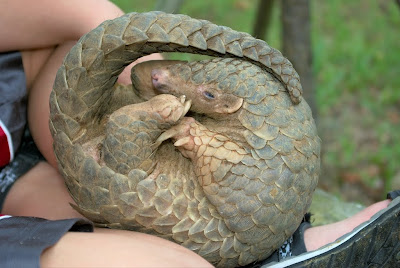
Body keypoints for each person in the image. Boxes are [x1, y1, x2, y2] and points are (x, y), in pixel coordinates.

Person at [0, 0, 398, 267]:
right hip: (16, 186)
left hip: (21, 125)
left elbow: (89, 20)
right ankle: (273, 255)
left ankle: (274, 244)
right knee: (181, 261)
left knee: (95, 32)